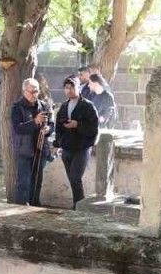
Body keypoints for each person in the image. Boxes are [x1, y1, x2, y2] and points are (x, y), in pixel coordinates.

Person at [54, 77, 99, 209]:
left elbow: (94, 128)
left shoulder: (87, 106)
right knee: (73, 181)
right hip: (67, 148)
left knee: (75, 178)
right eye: (66, 88)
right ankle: (78, 205)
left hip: (82, 148)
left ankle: (79, 207)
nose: (68, 90)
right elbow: (58, 128)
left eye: (72, 87)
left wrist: (77, 124)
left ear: (78, 88)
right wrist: (57, 144)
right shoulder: (63, 106)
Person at [10, 77, 54, 205]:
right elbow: (18, 128)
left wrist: (48, 129)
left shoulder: (43, 105)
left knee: (36, 182)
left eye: (37, 91)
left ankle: (34, 208)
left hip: (40, 150)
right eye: (32, 91)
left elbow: (51, 124)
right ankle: (20, 209)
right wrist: (35, 121)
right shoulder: (17, 107)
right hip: (24, 151)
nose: (35, 94)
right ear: (24, 91)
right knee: (23, 183)